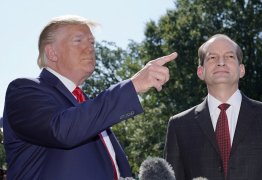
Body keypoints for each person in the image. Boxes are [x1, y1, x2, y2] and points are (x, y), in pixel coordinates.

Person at [3, 15, 177, 180]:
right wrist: (132, 86)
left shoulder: (88, 106)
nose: (90, 47)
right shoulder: (24, 90)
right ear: (52, 53)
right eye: (78, 40)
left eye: (92, 42)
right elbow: (61, 130)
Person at [164, 34, 262, 180]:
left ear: (241, 70)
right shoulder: (179, 125)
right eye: (212, 58)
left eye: (229, 56)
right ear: (200, 72)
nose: (221, 62)